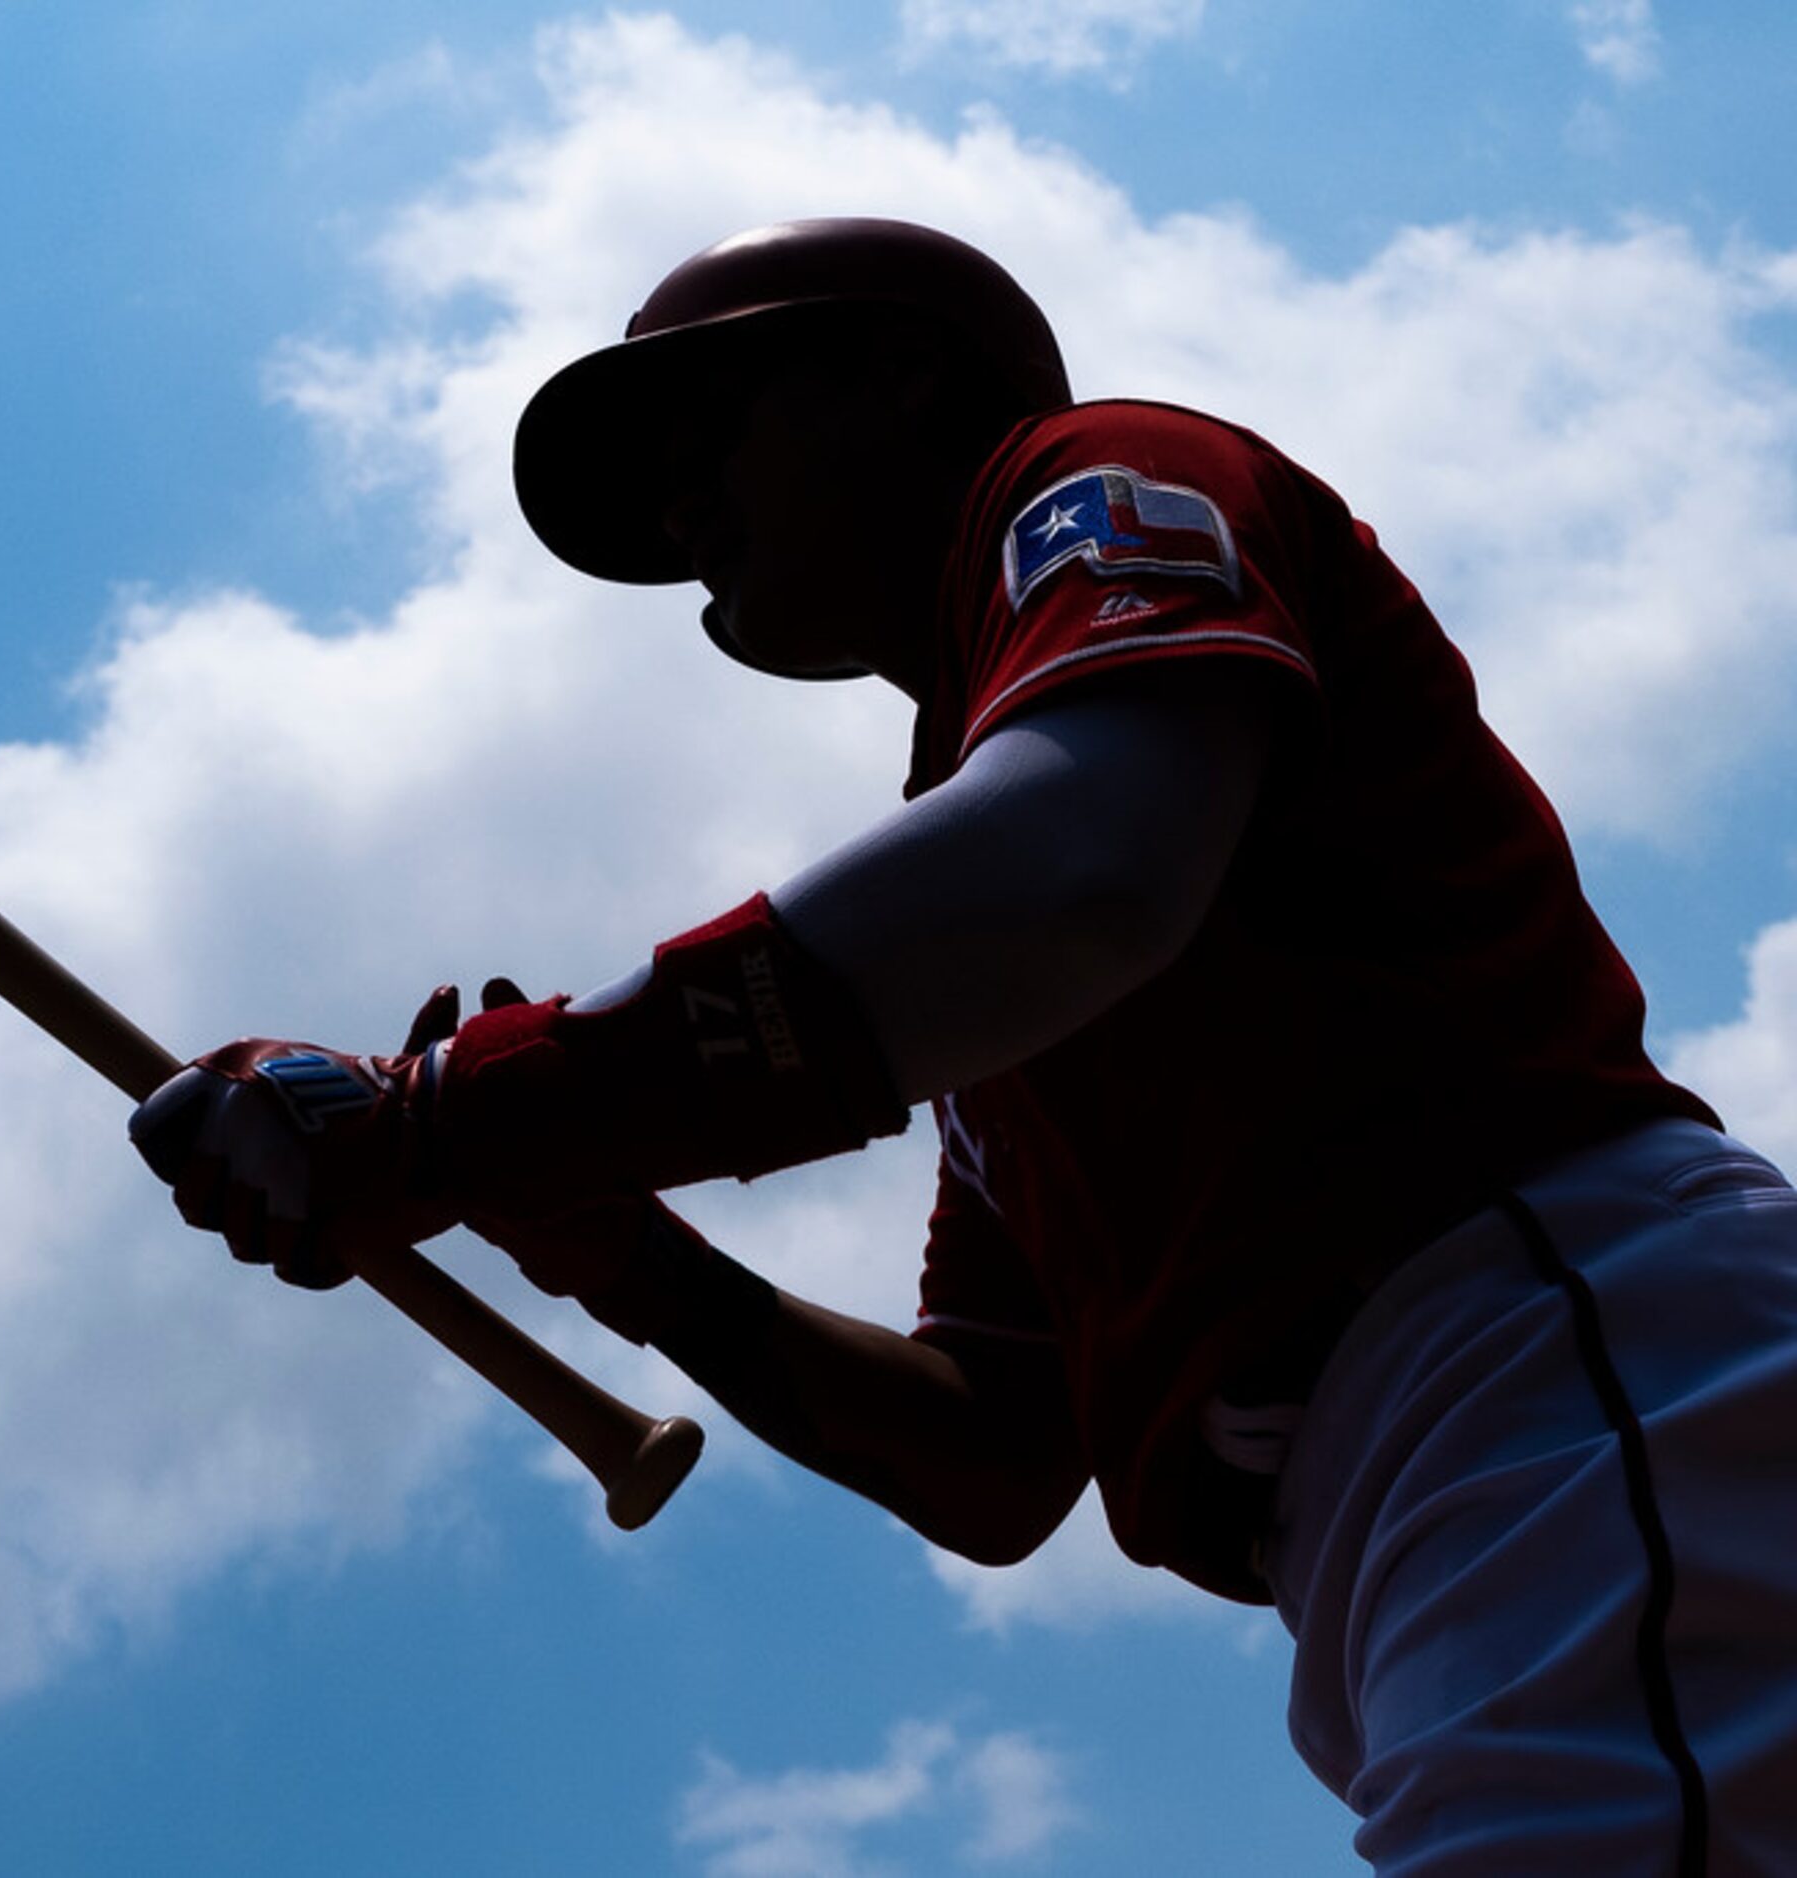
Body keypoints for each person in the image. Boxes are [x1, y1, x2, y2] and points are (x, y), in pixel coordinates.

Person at [127, 219, 1797, 1875]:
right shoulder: (975, 950)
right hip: (1424, 1515)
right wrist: (630, 1257)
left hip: (1563, 1356)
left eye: (702, 425)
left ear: (903, 371)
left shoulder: (1095, 478)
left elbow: (1081, 874)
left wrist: (446, 1116)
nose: (675, 504)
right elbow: (996, 1450)